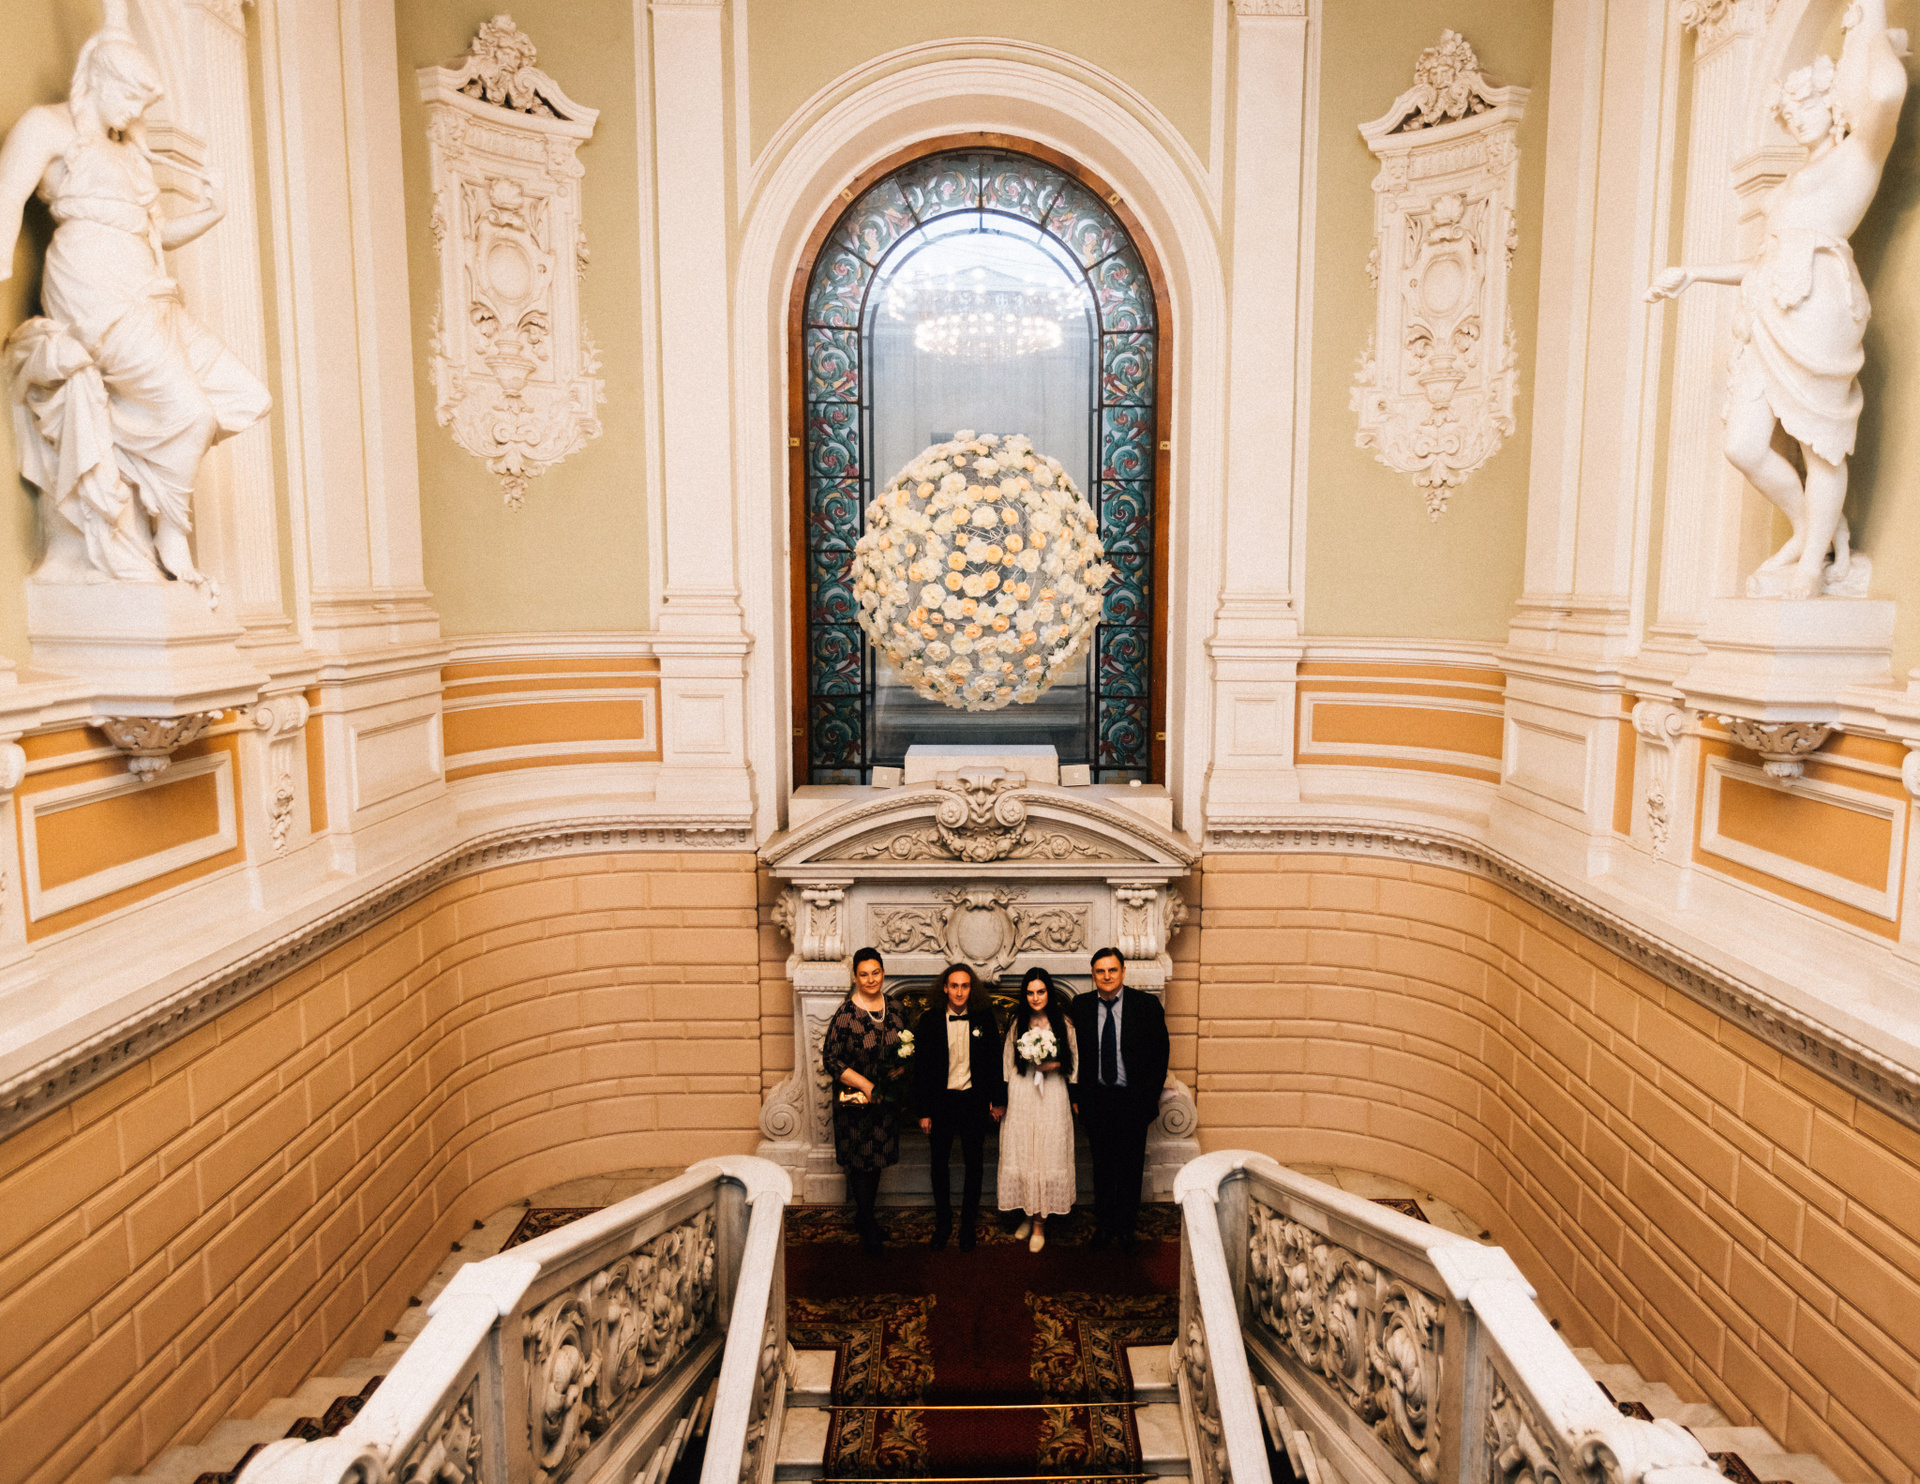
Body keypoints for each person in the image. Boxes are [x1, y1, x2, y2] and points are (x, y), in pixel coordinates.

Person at [0, 2, 271, 592]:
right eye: (129, 98)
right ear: (99, 76)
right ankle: (171, 531)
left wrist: (212, 212)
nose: (133, 113)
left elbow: (154, 232)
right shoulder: (50, 128)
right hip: (92, 290)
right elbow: (7, 196)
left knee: (247, 396)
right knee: (192, 412)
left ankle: (122, 451)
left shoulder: (129, 153)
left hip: (151, 293)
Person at [1645, 0, 1907, 600]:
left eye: (1807, 104)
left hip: (1821, 306)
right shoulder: (1784, 189)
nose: (1797, 118)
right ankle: (1816, 528)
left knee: (1821, 447)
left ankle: (1812, 564)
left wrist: (1870, 18)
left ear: (1833, 104)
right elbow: (1765, 262)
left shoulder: (1858, 156)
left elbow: (1886, 92)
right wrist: (1694, 274)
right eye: (1789, 112)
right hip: (1764, 314)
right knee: (1743, 444)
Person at [1069, 947, 1168, 1253]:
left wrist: (1149, 1097)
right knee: (1102, 1166)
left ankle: (1126, 1227)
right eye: (1100, 971)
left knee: (1130, 1166)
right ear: (1093, 974)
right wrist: (1076, 1097)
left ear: (1123, 972)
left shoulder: (1146, 1005)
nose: (1107, 976)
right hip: (1096, 1100)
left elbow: (1160, 1054)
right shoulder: (1081, 1006)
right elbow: (1074, 1055)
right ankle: (1104, 1224)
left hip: (1132, 1100)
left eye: (1112, 970)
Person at [821, 947, 911, 1256]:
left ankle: (864, 1216)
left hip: (885, 1101)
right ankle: (867, 1221)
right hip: (856, 1103)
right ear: (855, 977)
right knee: (861, 1161)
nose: (870, 979)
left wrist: (901, 1068)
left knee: (877, 1160)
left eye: (875, 973)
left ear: (883, 973)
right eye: (864, 974)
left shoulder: (896, 1008)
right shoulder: (846, 1014)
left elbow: (907, 1046)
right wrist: (867, 1085)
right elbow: (830, 1060)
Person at [914, 962, 1007, 1251]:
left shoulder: (983, 1017)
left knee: (974, 1164)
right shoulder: (929, 1020)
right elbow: (921, 1069)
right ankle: (943, 1223)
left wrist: (998, 1101)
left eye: (965, 986)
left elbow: (995, 1061)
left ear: (971, 989)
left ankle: (968, 1224)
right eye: (954, 986)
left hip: (972, 1101)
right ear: (944, 988)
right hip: (941, 1103)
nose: (959, 992)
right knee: (938, 1165)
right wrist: (923, 1111)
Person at [997, 967, 1078, 1252]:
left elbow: (1074, 1061)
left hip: (1052, 1094)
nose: (1035, 997)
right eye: (1030, 992)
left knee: (1047, 1152)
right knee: (1024, 1153)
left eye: (1040, 992)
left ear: (1048, 993)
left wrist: (1052, 1065)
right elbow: (1007, 1063)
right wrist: (1004, 1098)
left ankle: (1041, 1224)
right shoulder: (1017, 1022)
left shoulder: (1063, 1023)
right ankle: (1028, 1215)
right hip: (1022, 1092)